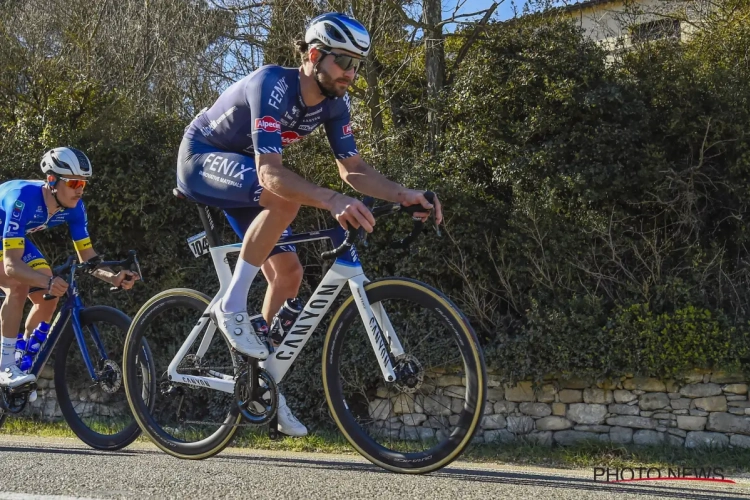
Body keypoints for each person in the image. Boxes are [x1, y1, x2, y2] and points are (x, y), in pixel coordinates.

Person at [176, 12, 442, 436]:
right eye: (343, 62)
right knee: (285, 201)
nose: (351, 73)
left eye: (357, 65)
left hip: (243, 172)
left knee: (289, 273)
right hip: (201, 158)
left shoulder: (335, 105)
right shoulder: (272, 85)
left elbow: (352, 169)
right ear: (314, 55)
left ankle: (263, 388)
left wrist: (403, 193)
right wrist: (332, 200)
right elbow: (269, 173)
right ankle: (232, 306)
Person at [0, 147, 139, 388]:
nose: (79, 190)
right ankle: (5, 364)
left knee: (49, 295)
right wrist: (48, 281)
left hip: (14, 237)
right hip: (6, 230)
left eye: (83, 184)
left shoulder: (75, 208)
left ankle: (22, 360)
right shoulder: (23, 199)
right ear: (52, 180)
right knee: (19, 285)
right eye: (73, 182)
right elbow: (12, 266)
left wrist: (114, 278)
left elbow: (88, 257)